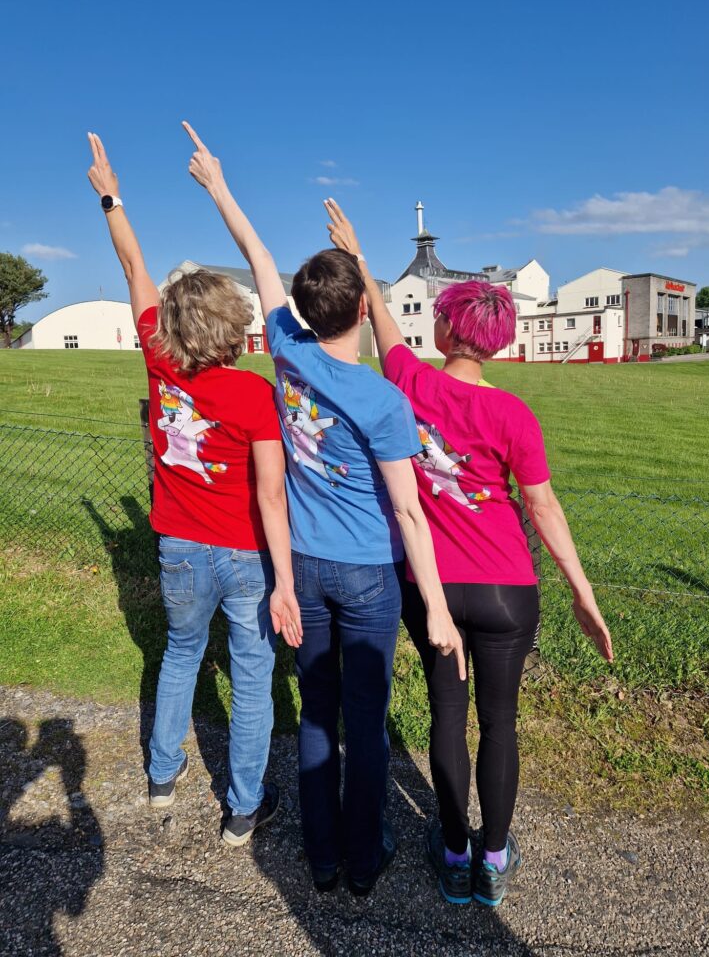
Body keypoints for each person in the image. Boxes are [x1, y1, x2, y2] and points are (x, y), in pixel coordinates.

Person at [181, 122, 464, 896]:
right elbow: (409, 513)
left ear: (306, 311)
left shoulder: (286, 347)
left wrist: (218, 186)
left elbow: (257, 257)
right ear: (362, 309)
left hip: (301, 567)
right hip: (369, 576)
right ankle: (364, 860)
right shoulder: (385, 400)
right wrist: (438, 608)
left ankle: (323, 855)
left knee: (316, 710)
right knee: (365, 721)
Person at [324, 198, 614, 908]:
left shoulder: (411, 383)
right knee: (500, 723)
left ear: (447, 328)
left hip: (433, 589)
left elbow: (384, 326)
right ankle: (493, 857)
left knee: (448, 716)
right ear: (502, 342)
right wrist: (582, 592)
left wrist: (359, 257)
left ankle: (454, 852)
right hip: (507, 591)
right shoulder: (513, 413)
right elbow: (543, 508)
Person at [86, 133, 301, 848]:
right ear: (235, 326)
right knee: (252, 676)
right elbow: (272, 497)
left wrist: (111, 197)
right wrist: (285, 580)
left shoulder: (159, 357)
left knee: (180, 653)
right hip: (244, 555)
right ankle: (242, 808)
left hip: (179, 546)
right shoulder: (254, 395)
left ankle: (161, 775)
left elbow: (133, 263)